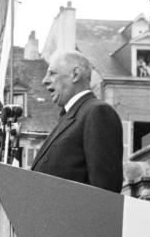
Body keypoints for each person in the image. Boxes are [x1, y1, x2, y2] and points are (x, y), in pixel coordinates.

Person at [33, 50, 123, 192]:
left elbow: (105, 191)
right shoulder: (71, 115)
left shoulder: (97, 112)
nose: (45, 81)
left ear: (75, 75)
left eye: (52, 73)